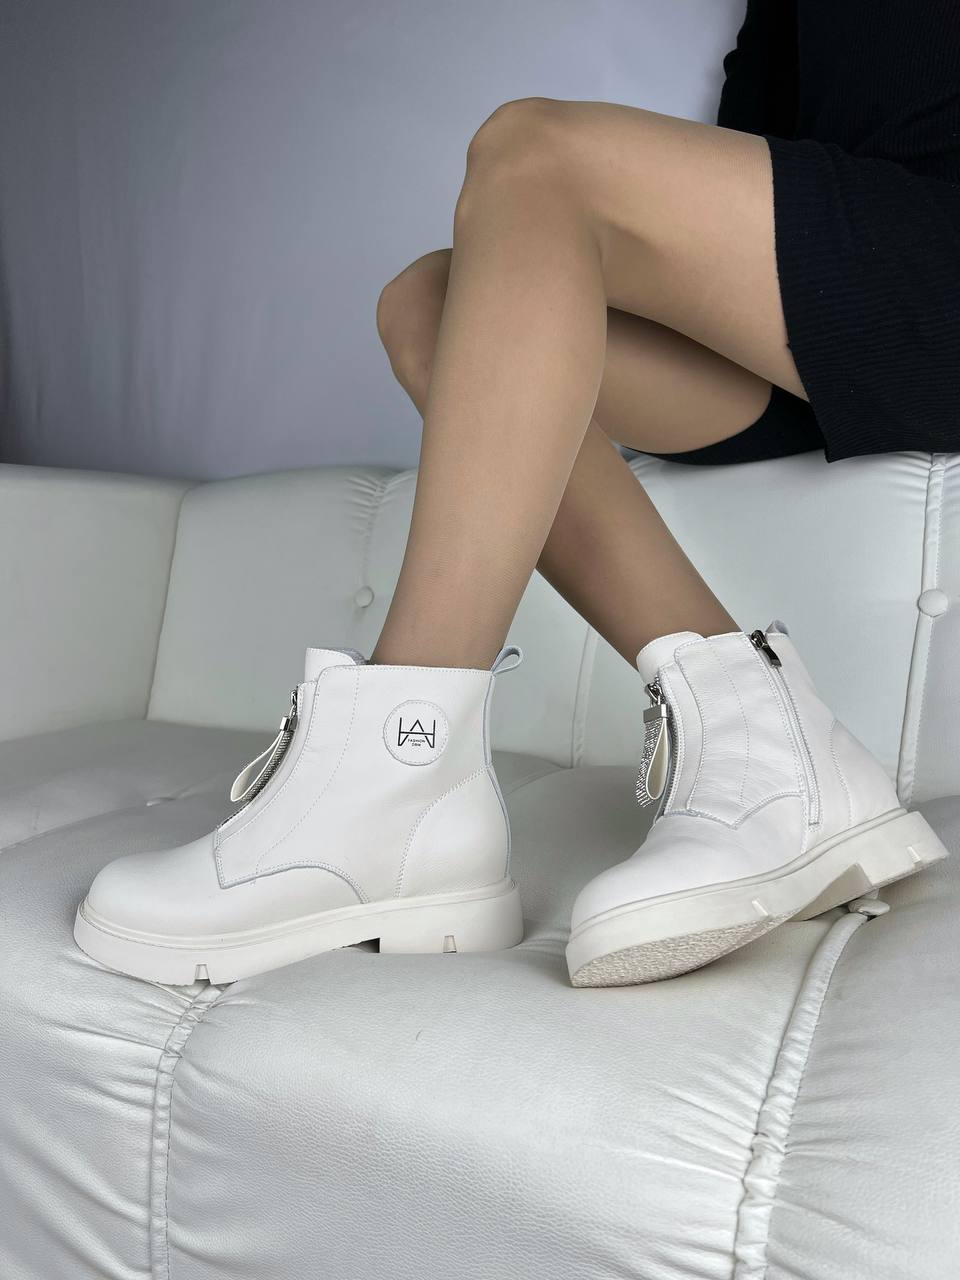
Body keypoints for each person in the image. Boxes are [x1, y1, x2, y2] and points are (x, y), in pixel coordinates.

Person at [73, 0, 955, 988]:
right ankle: (777, 749)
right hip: (849, 307)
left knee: (536, 151)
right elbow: (763, 159)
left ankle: (394, 775)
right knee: (431, 305)